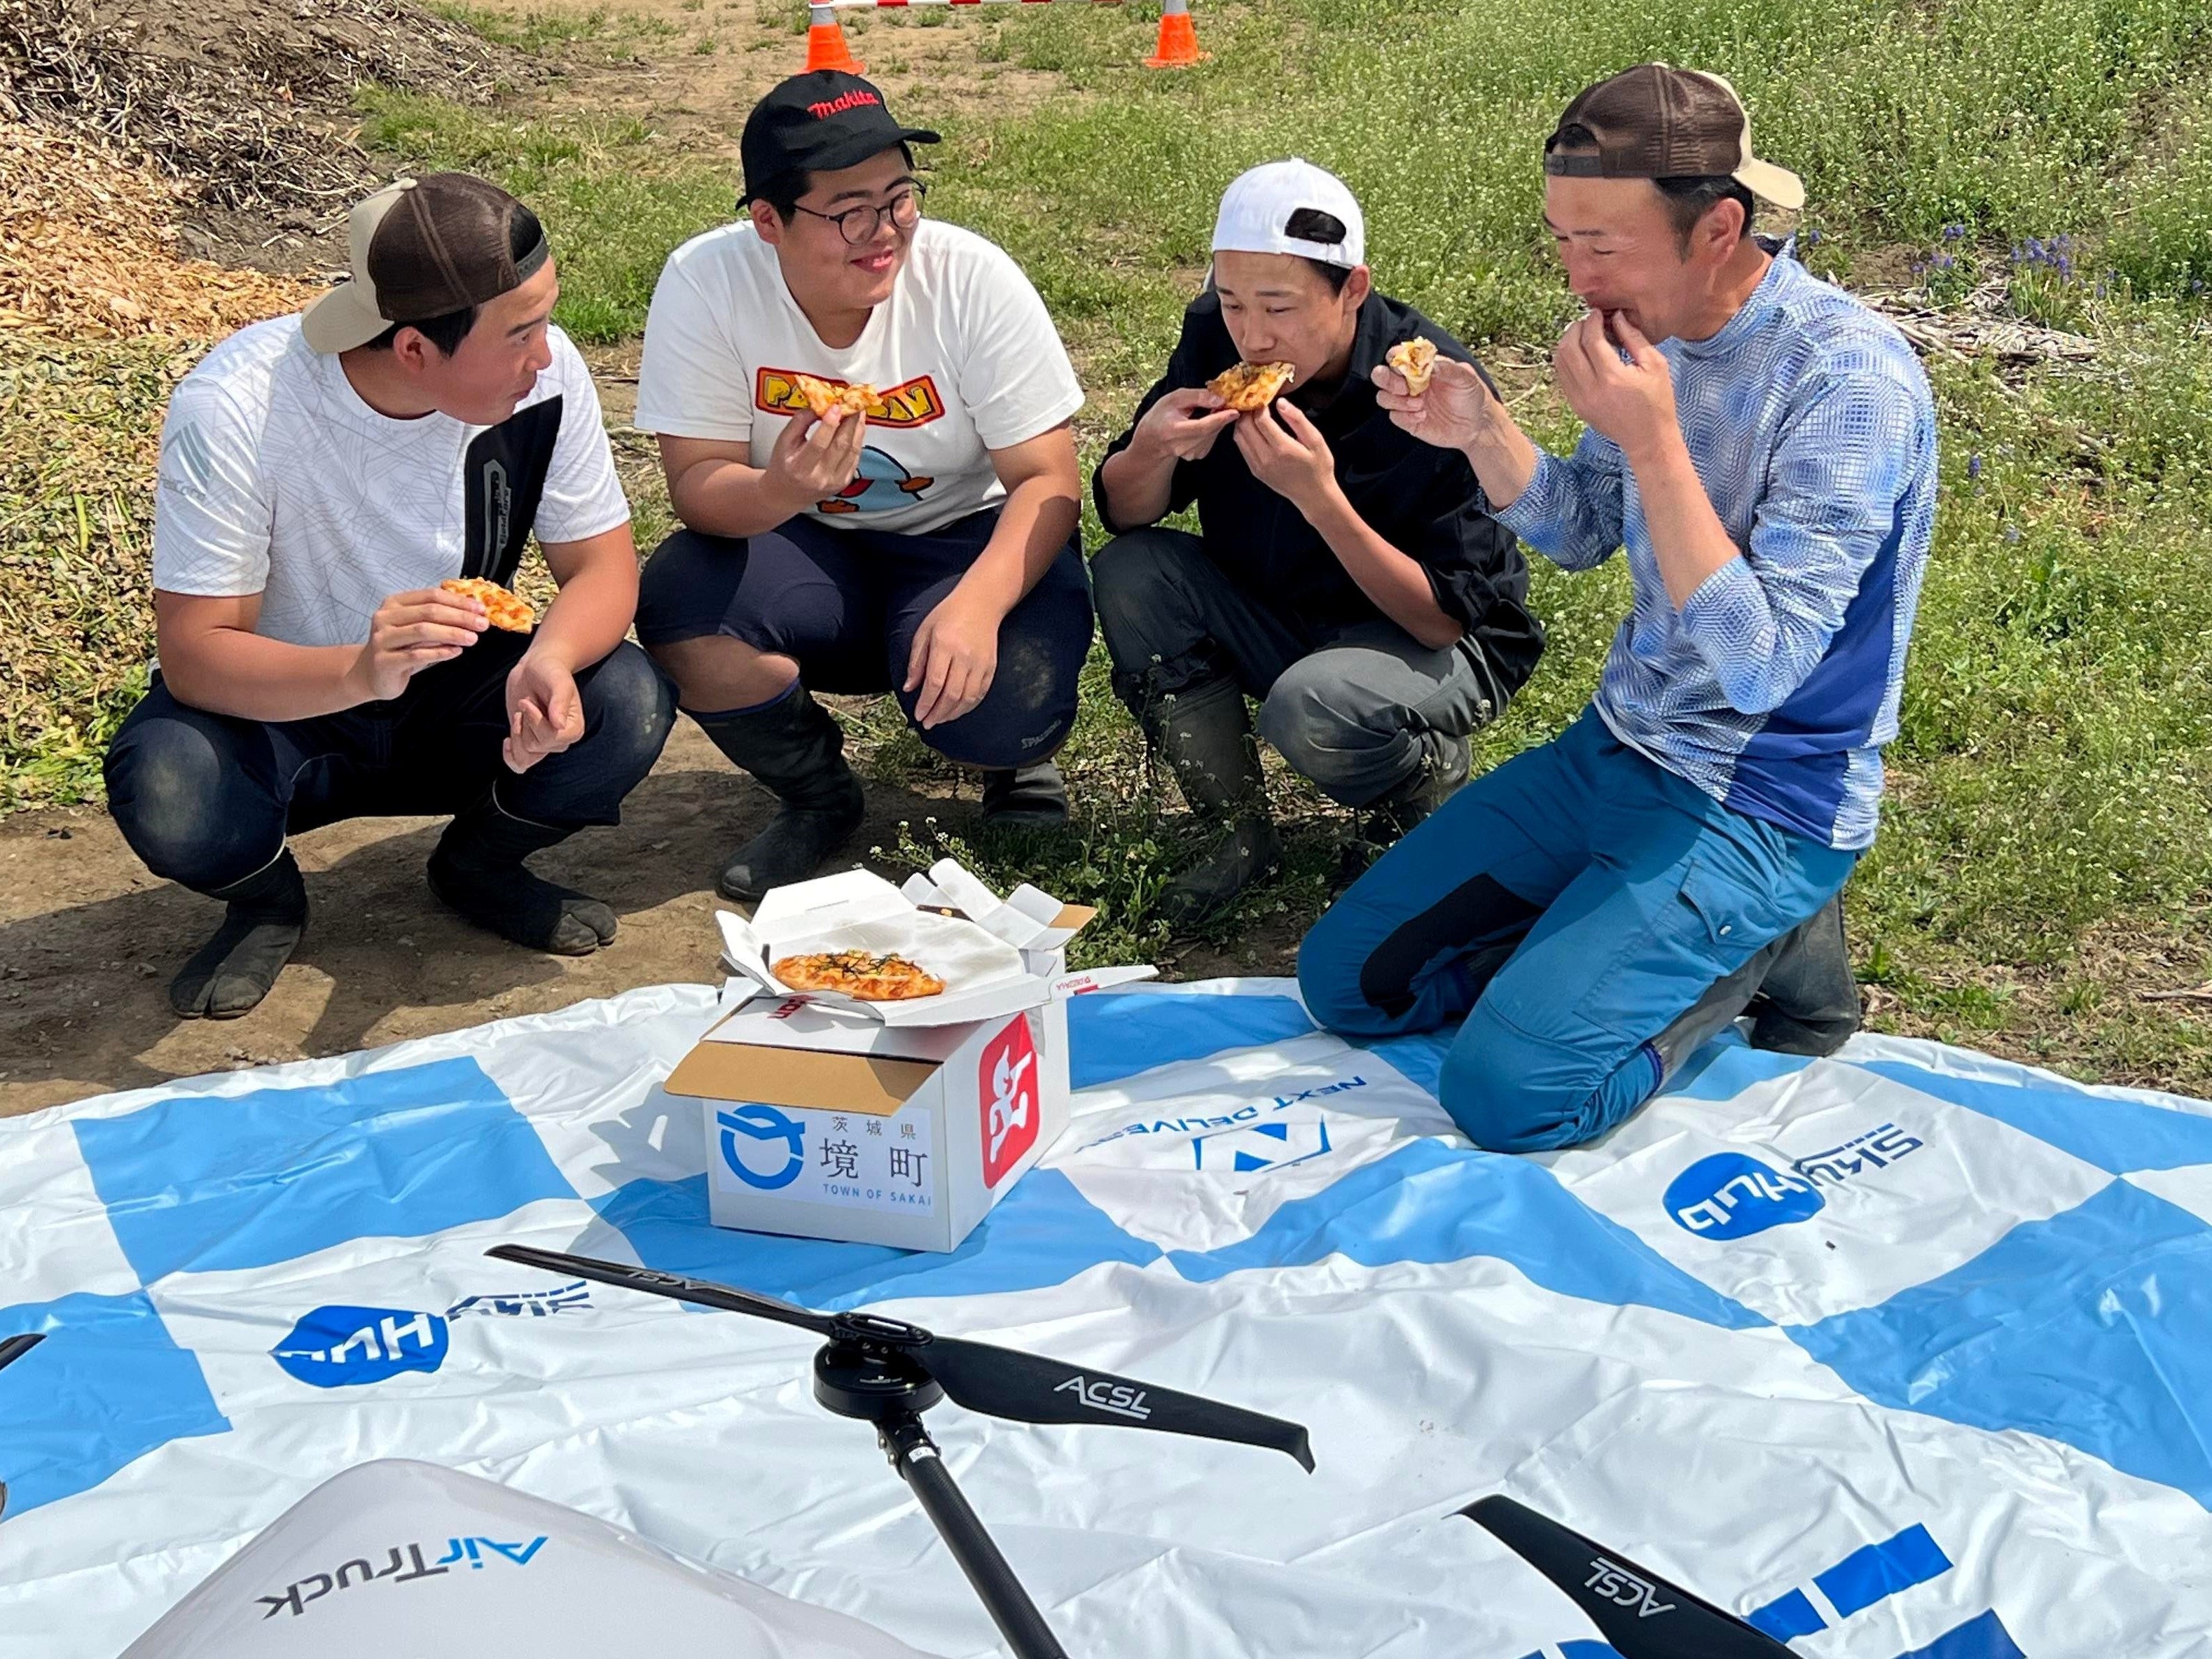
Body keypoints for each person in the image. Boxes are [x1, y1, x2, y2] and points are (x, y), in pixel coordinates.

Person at [1298, 66, 1937, 1151]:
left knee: (1508, 1096)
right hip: (1616, 747)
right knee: (1346, 981)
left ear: (1716, 227)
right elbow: (1588, 525)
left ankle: (1759, 947)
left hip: (1759, 798)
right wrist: (1481, 433)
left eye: (1601, 244)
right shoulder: (1648, 331)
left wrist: (1652, 436)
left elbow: (1762, 666)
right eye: (1560, 240)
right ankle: (1609, 948)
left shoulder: (1847, 382)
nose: (1575, 273)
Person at [105, 172, 675, 1020]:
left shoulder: (545, 386)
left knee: (625, 697)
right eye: (521, 332)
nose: (546, 352)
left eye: (547, 316)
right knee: (168, 782)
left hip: (456, 688)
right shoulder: (238, 406)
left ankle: (479, 862)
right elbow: (196, 653)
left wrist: (548, 658)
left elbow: (603, 568)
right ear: (412, 349)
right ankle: (266, 899)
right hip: (286, 703)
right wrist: (358, 670)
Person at [632, 71, 1090, 901]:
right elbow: (696, 484)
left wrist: (979, 605)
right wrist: (778, 487)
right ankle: (817, 793)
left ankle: (1015, 763)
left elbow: (1049, 480)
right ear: (767, 221)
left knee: (1001, 710)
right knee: (680, 604)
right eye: (848, 210)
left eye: (898, 197)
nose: (883, 232)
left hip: (967, 532)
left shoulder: (968, 278)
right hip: (806, 544)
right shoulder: (708, 282)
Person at [1091, 160, 1543, 923]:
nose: (1254, 335)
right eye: (1233, 301)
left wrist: (1319, 498)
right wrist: (1149, 450)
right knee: (1131, 573)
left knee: (1313, 704)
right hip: (1276, 610)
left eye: (1280, 308)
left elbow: (1442, 618)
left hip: (1434, 642)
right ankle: (1235, 835)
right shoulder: (1215, 337)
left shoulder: (1426, 384)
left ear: (1352, 290)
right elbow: (1126, 514)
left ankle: (1417, 785)